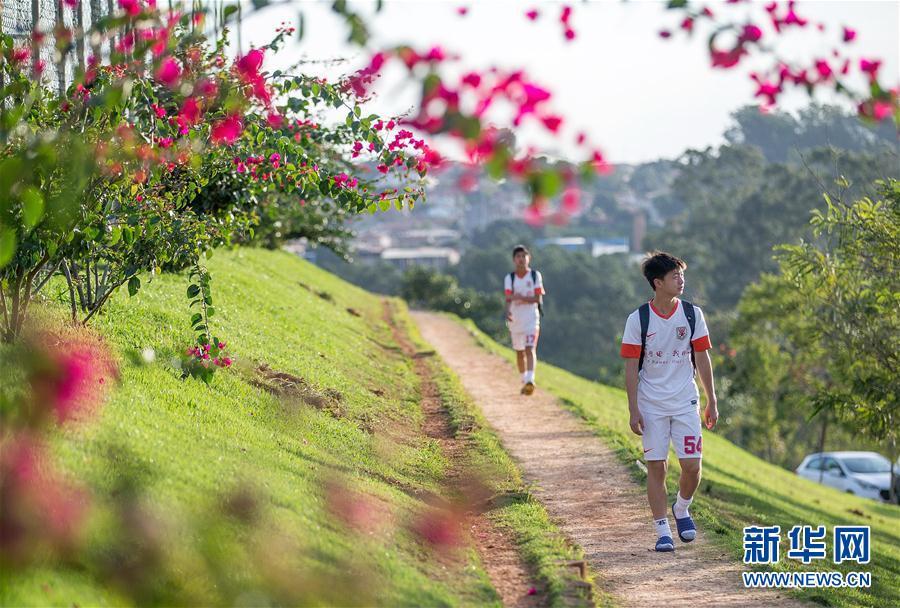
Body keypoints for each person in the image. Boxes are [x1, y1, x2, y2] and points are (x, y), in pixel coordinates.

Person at [620, 251, 718, 552]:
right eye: (675, 276)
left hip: (685, 401)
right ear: (657, 282)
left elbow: (701, 357)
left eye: (681, 275)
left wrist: (711, 400)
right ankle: (662, 530)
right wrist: (634, 408)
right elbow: (629, 367)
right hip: (651, 404)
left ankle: (682, 508)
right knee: (657, 467)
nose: (681, 280)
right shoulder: (638, 319)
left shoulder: (692, 314)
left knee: (691, 465)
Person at [504, 245, 544, 396]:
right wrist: (507, 310)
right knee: (519, 352)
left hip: (531, 320)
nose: (521, 259)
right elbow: (508, 298)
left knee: (529, 348)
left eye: (523, 256)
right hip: (516, 320)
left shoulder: (535, 276)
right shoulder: (510, 278)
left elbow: (537, 298)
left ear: (529, 258)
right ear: (514, 260)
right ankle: (524, 380)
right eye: (518, 257)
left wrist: (519, 297)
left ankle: (530, 380)